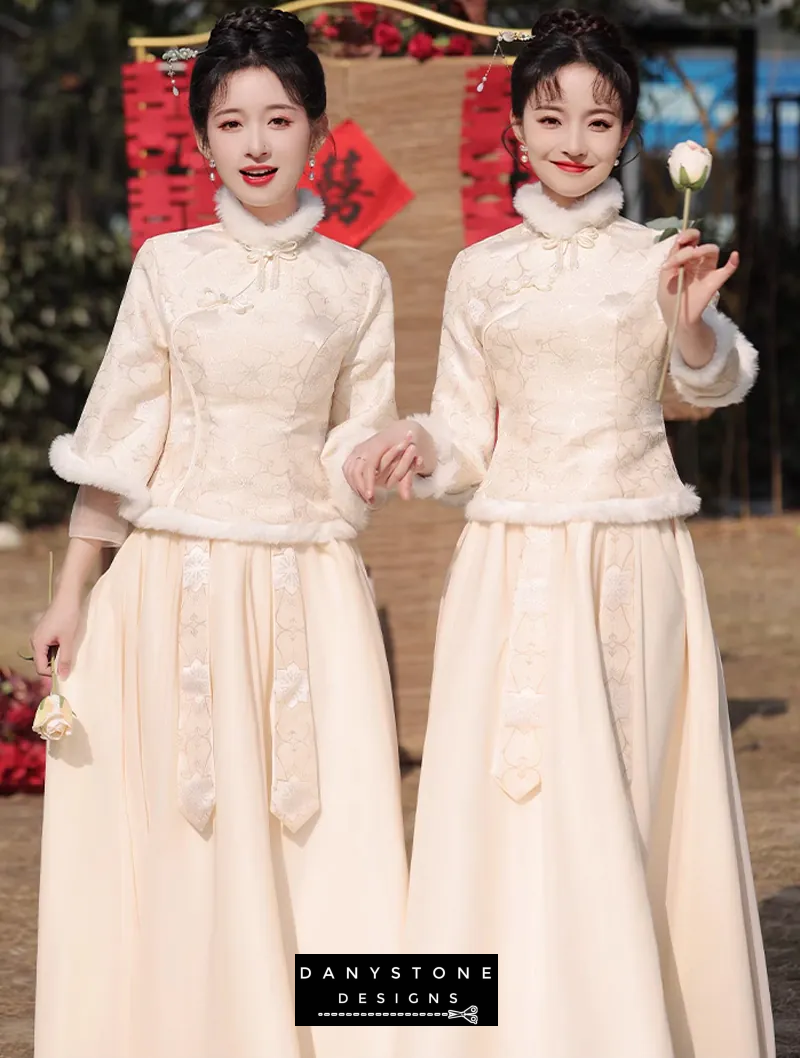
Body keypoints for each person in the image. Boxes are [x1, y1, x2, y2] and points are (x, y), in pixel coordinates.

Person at [349, 10, 774, 1057]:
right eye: (551, 115)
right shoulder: (479, 271)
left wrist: (687, 326)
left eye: (598, 118)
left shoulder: (656, 254)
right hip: (507, 561)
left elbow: (707, 384)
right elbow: (464, 434)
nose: (573, 138)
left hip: (629, 555)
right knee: (501, 794)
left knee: (621, 790)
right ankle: (485, 1031)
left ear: (628, 133)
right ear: (518, 127)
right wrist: (415, 438)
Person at [31, 9, 406, 1058]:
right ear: (199, 140)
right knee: (186, 835)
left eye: (278, 118)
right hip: (173, 583)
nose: (254, 143)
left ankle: (350, 1038)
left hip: (309, 587)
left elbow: (352, 439)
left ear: (316, 130)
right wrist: (71, 591)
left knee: (326, 836)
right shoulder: (167, 267)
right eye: (231, 122)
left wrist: (375, 458)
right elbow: (118, 437)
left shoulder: (357, 282)